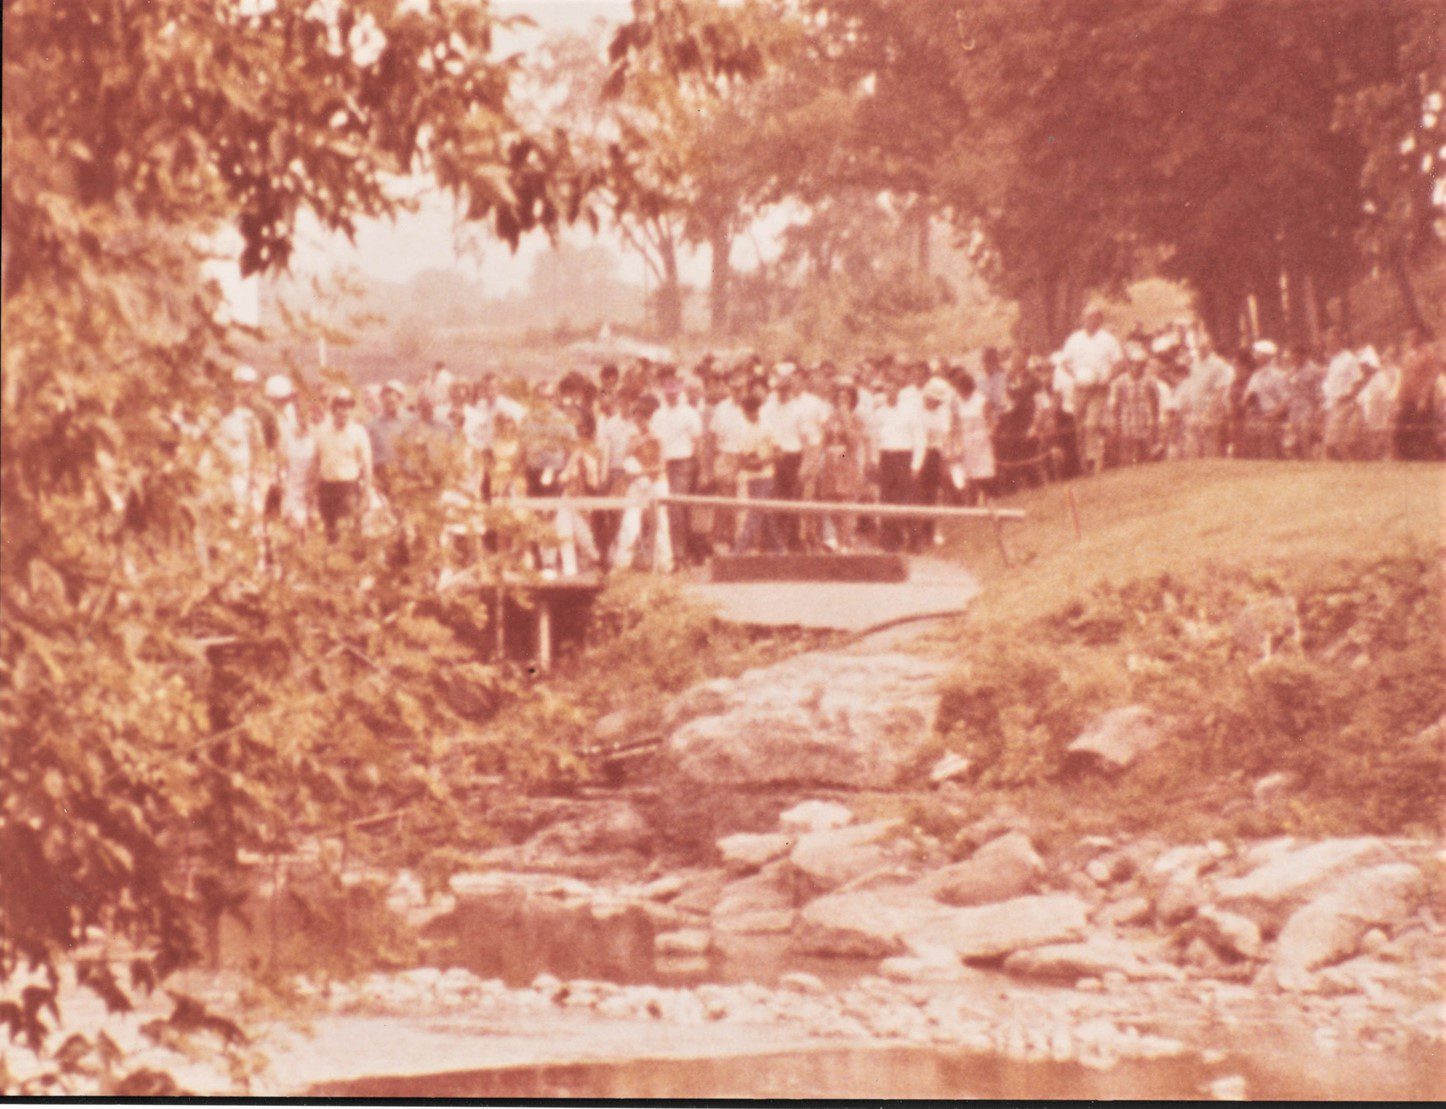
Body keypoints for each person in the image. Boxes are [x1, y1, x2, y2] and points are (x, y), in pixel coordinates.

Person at [1059, 305, 1124, 474]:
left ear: (1100, 320)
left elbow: (1119, 363)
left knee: (1092, 424)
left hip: (1099, 388)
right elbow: (1065, 363)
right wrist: (1076, 376)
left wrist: (1107, 378)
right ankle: (1083, 465)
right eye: (1087, 317)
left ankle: (1095, 459)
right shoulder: (1074, 339)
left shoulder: (1108, 339)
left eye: (1094, 317)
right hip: (1080, 388)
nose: (1090, 321)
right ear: (1082, 319)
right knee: (1080, 426)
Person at [649, 375, 703, 566]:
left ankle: (680, 552)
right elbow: (653, 441)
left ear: (679, 393)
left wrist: (699, 467)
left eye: (674, 393)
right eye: (668, 393)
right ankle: (669, 551)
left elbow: (697, 441)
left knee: (677, 506)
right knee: (666, 507)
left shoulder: (689, 413)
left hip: (683, 463)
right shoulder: (658, 415)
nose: (671, 396)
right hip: (663, 463)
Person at [312, 387, 373, 543]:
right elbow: (315, 461)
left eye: (348, 407)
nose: (344, 411)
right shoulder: (321, 431)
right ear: (333, 409)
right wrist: (312, 490)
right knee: (329, 534)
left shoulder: (358, 432)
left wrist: (366, 492)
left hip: (348, 489)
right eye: (340, 406)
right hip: (326, 489)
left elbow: (367, 464)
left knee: (347, 533)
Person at [870, 377, 924, 553]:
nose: (890, 393)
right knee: (887, 499)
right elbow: (875, 439)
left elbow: (919, 440)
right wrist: (875, 461)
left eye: (893, 389)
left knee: (909, 500)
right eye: (887, 390)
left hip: (904, 458)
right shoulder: (879, 413)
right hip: (886, 458)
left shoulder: (910, 411)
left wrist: (916, 465)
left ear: (898, 391)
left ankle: (915, 541)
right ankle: (890, 541)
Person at [817, 382, 868, 552]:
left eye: (845, 399)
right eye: (839, 399)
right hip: (831, 462)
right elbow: (824, 441)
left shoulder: (856, 419)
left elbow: (854, 443)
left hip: (847, 460)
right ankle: (832, 539)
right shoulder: (830, 419)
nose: (841, 402)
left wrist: (846, 421)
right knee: (830, 501)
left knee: (846, 503)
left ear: (852, 400)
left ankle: (846, 541)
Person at [732, 392, 777, 554]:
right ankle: (778, 547)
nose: (750, 413)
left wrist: (763, 462)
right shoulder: (742, 429)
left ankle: (740, 548)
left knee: (755, 511)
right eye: (747, 410)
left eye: (753, 410)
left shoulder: (768, 427)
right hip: (749, 476)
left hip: (766, 475)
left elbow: (779, 452)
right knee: (763, 513)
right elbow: (740, 458)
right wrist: (750, 463)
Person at [1109, 345, 1159, 466]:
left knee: (1146, 449)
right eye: (1135, 364)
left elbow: (1155, 401)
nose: (1137, 367)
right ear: (1130, 364)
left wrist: (1154, 419)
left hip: (1144, 416)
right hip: (1127, 416)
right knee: (1128, 449)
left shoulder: (1150, 381)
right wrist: (1114, 420)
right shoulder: (1120, 381)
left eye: (1141, 364)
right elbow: (1115, 402)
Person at [952, 372, 996, 505]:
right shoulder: (957, 402)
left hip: (981, 440)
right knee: (968, 476)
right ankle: (971, 504)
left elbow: (992, 422)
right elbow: (956, 424)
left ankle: (989, 501)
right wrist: (957, 443)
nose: (959, 392)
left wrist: (988, 434)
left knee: (984, 474)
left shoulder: (981, 401)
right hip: (965, 441)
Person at [367, 380, 410, 494]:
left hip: (405, 477)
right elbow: (367, 453)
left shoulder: (411, 422)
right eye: (386, 401)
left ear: (401, 399)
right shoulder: (372, 424)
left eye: (393, 401)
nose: (390, 404)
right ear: (381, 400)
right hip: (380, 477)